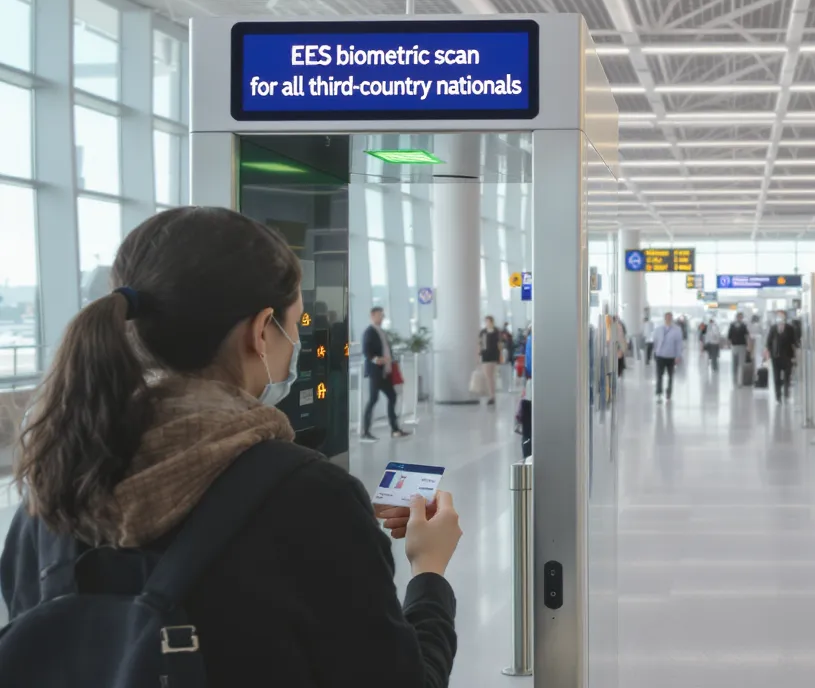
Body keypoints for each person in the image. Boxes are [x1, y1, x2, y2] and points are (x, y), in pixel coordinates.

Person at [0, 207, 462, 686]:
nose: (298, 340)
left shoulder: (52, 490)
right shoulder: (312, 500)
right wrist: (429, 571)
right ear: (261, 331)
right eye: (295, 323)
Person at [363, 306, 410, 441]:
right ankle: (366, 432)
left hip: (385, 372)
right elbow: (367, 351)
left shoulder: (382, 332)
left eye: (382, 315)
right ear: (372, 316)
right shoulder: (369, 332)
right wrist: (378, 360)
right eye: (379, 315)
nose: (382, 318)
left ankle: (395, 429)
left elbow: (386, 349)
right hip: (376, 372)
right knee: (373, 399)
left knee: (392, 396)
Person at [764, 311, 798, 404]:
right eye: (779, 316)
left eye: (782, 316)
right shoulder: (773, 328)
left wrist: (795, 356)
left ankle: (786, 393)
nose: (780, 318)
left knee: (787, 376)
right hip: (776, 356)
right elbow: (768, 342)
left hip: (787, 356)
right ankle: (778, 396)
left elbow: (794, 342)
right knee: (776, 377)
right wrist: (768, 354)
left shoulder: (790, 328)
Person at [651, 312, 683, 402]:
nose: (668, 319)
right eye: (667, 317)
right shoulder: (659, 329)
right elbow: (655, 341)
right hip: (660, 355)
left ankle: (668, 393)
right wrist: (655, 351)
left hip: (671, 356)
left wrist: (678, 355)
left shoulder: (677, 330)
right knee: (659, 375)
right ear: (664, 318)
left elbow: (679, 344)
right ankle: (659, 393)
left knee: (670, 376)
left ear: (672, 319)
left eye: (670, 317)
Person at [477, 316, 503, 406]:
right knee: (488, 376)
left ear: (492, 322)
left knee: (491, 376)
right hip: (485, 355)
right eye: (486, 321)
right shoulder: (483, 332)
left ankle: (492, 396)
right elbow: (480, 344)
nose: (487, 323)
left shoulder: (496, 331)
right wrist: (478, 355)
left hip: (494, 355)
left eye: (488, 321)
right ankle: (491, 395)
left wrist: (500, 356)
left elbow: (499, 344)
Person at [727, 312, 750, 383]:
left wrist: (748, 346)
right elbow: (729, 336)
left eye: (741, 317)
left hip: (742, 346)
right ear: (736, 317)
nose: (740, 318)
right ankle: (735, 378)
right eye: (739, 317)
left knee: (741, 363)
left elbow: (747, 336)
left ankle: (740, 380)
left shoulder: (744, 326)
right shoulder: (732, 325)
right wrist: (728, 344)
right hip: (734, 346)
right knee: (734, 363)